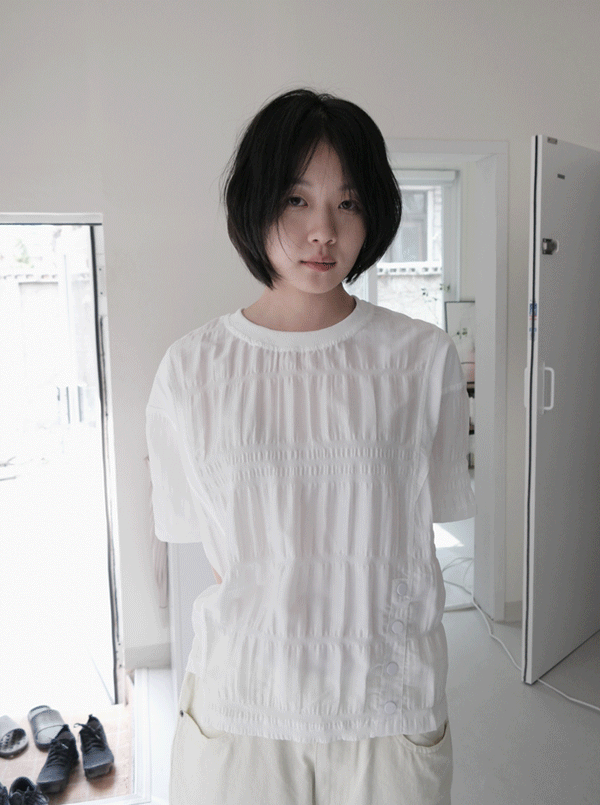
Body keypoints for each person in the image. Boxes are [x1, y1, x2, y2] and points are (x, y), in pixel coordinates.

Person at [145, 88, 476, 805]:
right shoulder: (192, 369)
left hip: (388, 706)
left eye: (347, 203)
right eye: (296, 199)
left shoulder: (422, 359)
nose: (322, 230)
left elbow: (423, 525)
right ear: (255, 203)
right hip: (242, 709)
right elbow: (213, 551)